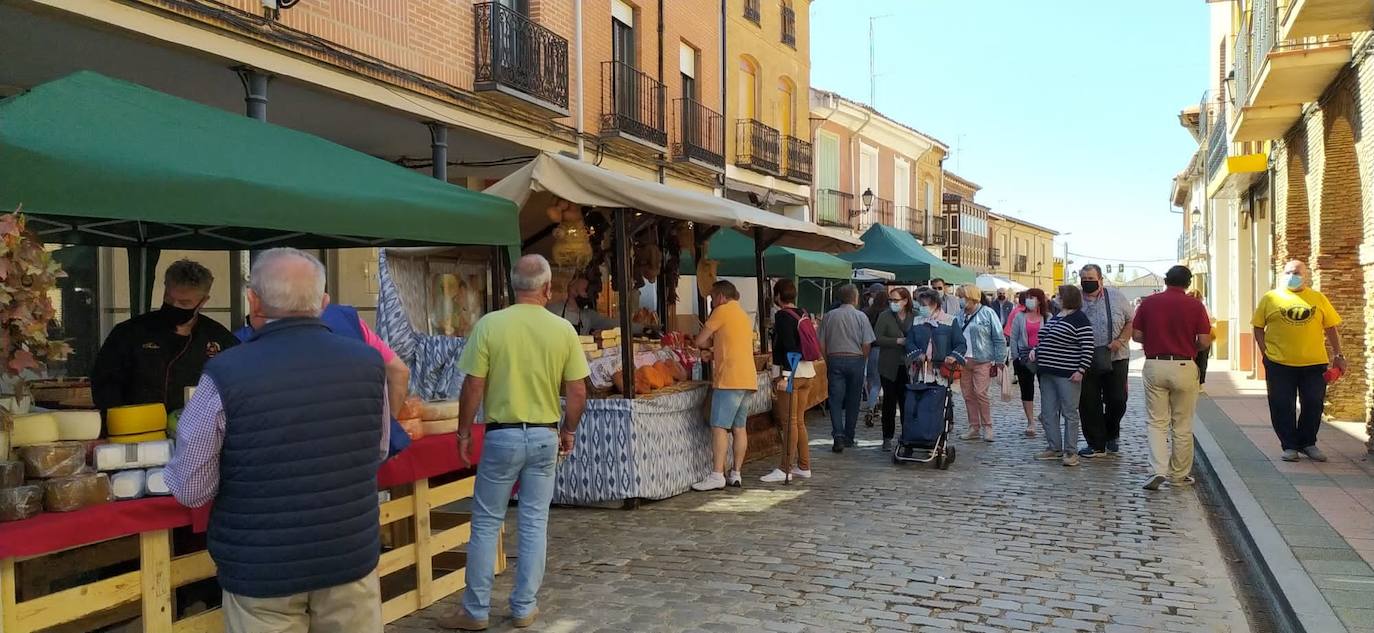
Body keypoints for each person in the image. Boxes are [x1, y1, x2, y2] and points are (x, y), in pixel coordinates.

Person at [165, 249, 388, 633]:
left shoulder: (224, 372)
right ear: (323, 303)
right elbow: (378, 449)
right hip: (348, 554)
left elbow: (191, 488)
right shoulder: (368, 363)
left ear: (253, 302)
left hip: (261, 566)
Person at [441, 255, 589, 630]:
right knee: (535, 522)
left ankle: (475, 611)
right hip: (544, 434)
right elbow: (577, 392)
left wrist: (462, 431)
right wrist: (568, 431)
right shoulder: (562, 330)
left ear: (512, 287)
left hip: (502, 434)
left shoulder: (490, 325)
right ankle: (524, 607)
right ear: (547, 289)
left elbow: (473, 385)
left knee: (487, 522)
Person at [92, 259, 239, 414]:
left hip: (197, 432)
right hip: (134, 429)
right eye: (168, 299)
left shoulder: (220, 339)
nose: (174, 306)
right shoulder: (129, 333)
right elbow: (104, 383)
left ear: (203, 301)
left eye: (184, 303)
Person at [237, 303, 410, 417]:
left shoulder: (245, 343)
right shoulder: (347, 318)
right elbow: (399, 371)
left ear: (255, 300)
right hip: (358, 450)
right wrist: (387, 431)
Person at [1254, 260, 1346, 463]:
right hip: (1279, 363)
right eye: (1288, 272)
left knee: (1313, 403)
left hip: (1314, 364)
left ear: (1306, 275)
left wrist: (1338, 355)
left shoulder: (1318, 298)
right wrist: (1265, 353)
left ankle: (1308, 443)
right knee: (1281, 404)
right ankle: (1289, 445)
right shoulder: (1270, 298)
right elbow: (1258, 326)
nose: (1291, 276)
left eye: (1296, 272)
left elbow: (1331, 327)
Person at [1133, 266, 1214, 490]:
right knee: (1182, 423)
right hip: (1184, 364)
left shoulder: (1149, 302)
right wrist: (1191, 347)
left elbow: (1137, 334)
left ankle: (1158, 470)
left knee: (1156, 422)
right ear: (1188, 283)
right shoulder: (1195, 305)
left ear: (1166, 280)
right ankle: (1179, 475)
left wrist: (1154, 340)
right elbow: (1205, 341)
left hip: (1155, 363)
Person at [691, 281, 759, 490]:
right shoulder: (741, 314)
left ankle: (717, 474)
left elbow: (700, 340)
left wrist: (702, 346)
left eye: (712, 297)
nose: (711, 303)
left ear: (720, 296)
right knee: (739, 428)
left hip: (729, 378)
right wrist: (714, 352)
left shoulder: (721, 311)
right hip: (747, 378)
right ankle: (736, 473)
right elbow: (731, 344)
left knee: (719, 427)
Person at [1030, 284, 1094, 467]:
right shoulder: (1056, 317)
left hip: (1067, 373)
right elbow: (1045, 338)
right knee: (1048, 412)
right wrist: (1036, 350)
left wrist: (1081, 369)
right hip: (1047, 371)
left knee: (1069, 412)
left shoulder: (1080, 319)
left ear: (1068, 298)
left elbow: (1087, 346)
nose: (1056, 297)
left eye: (1060, 295)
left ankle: (1070, 451)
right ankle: (1054, 447)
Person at [1077, 264, 1134, 458]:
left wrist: (1121, 340)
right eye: (1084, 279)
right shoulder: (1075, 299)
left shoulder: (1117, 297)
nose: (1087, 282)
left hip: (1116, 357)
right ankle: (1096, 443)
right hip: (1084, 358)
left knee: (1117, 400)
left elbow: (1130, 321)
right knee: (1088, 402)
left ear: (1100, 280)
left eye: (1091, 279)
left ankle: (1112, 432)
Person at [900, 289, 966, 454]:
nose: (921, 307)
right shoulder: (917, 321)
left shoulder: (950, 322)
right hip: (921, 371)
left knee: (939, 403)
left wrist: (952, 356)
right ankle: (914, 436)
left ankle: (939, 436)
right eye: (920, 304)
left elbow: (960, 344)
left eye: (924, 305)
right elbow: (910, 342)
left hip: (941, 371)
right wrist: (917, 354)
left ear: (934, 304)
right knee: (918, 403)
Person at [761, 279, 814, 483]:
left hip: (792, 372)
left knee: (789, 422)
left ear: (777, 296)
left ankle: (785, 468)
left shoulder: (783, 316)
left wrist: (785, 376)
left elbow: (790, 347)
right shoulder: (803, 312)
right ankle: (804, 465)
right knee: (799, 421)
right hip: (807, 371)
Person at [818, 283, 876, 453]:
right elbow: (867, 343)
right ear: (855, 298)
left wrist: (828, 359)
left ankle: (838, 435)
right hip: (855, 358)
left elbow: (821, 342)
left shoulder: (829, 316)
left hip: (835, 358)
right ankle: (849, 436)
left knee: (835, 400)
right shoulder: (861, 317)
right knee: (853, 400)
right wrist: (862, 359)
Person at [955, 284, 1006, 442]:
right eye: (959, 297)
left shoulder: (987, 313)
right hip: (964, 360)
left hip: (982, 359)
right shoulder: (959, 315)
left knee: (981, 393)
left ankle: (987, 427)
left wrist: (1000, 359)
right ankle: (974, 427)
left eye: (962, 297)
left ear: (972, 297)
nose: (960, 300)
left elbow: (999, 337)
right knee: (968, 395)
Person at [874, 286, 916, 452]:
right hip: (888, 365)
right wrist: (896, 341)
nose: (892, 303)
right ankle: (887, 437)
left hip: (908, 366)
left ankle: (907, 437)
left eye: (896, 300)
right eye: (890, 300)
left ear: (905, 301)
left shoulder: (914, 316)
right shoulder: (885, 316)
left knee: (907, 403)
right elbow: (877, 338)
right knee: (889, 403)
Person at [1009, 288, 1050, 437]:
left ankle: (1046, 415)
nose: (1029, 300)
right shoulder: (1019, 316)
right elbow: (1013, 337)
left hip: (1043, 357)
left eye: (1032, 297)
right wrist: (1015, 356)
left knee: (1047, 389)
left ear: (1040, 300)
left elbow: (1050, 338)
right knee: (1027, 390)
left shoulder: (1047, 317)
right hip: (1023, 357)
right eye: (1027, 297)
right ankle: (1030, 421)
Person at [861, 283, 887, 417]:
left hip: (873, 349)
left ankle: (871, 407)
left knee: (873, 382)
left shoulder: (867, 312)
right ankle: (882, 405)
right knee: (886, 382)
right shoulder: (889, 313)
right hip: (888, 351)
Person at [1187, 288, 1215, 389]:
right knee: (1202, 360)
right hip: (1204, 337)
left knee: (1191, 361)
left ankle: (1192, 382)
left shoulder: (1186, 307)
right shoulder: (1204, 307)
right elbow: (1210, 320)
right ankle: (1199, 383)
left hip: (1190, 339)